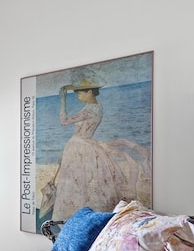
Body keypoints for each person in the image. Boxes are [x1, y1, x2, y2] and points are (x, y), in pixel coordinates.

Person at [51, 78, 135, 221]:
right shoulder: (97, 106)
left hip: (79, 147)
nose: (78, 96)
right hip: (85, 144)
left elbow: (64, 121)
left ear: (90, 92)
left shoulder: (90, 109)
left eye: (79, 93)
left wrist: (63, 101)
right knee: (84, 183)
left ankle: (77, 218)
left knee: (77, 183)